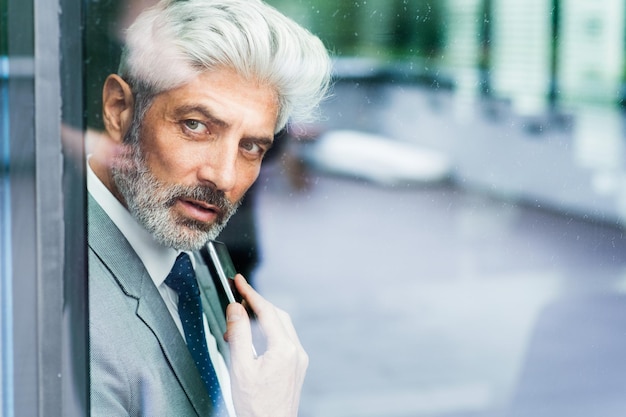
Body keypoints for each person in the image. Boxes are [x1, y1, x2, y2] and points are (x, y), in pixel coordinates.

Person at [86, 0, 331, 415]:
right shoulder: (69, 323)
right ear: (119, 110)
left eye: (251, 146)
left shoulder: (179, 228)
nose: (224, 176)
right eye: (195, 126)